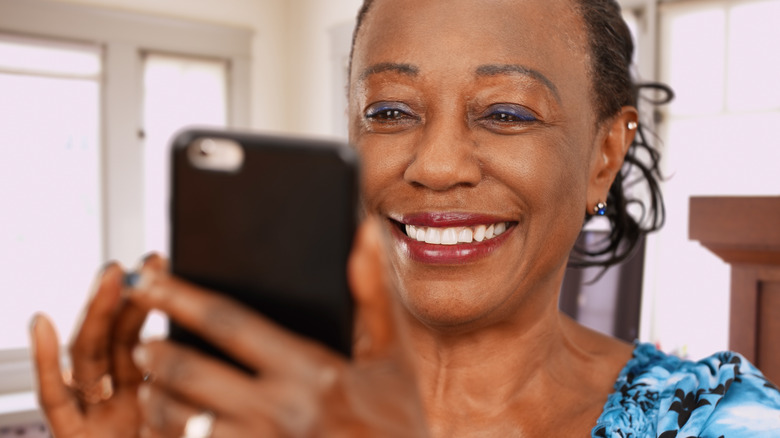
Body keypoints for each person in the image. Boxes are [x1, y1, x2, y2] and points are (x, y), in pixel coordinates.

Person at [29, 0, 780, 436]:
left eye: (507, 112)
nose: (436, 164)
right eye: (389, 111)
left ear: (603, 156)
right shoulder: (261, 407)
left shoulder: (720, 419)